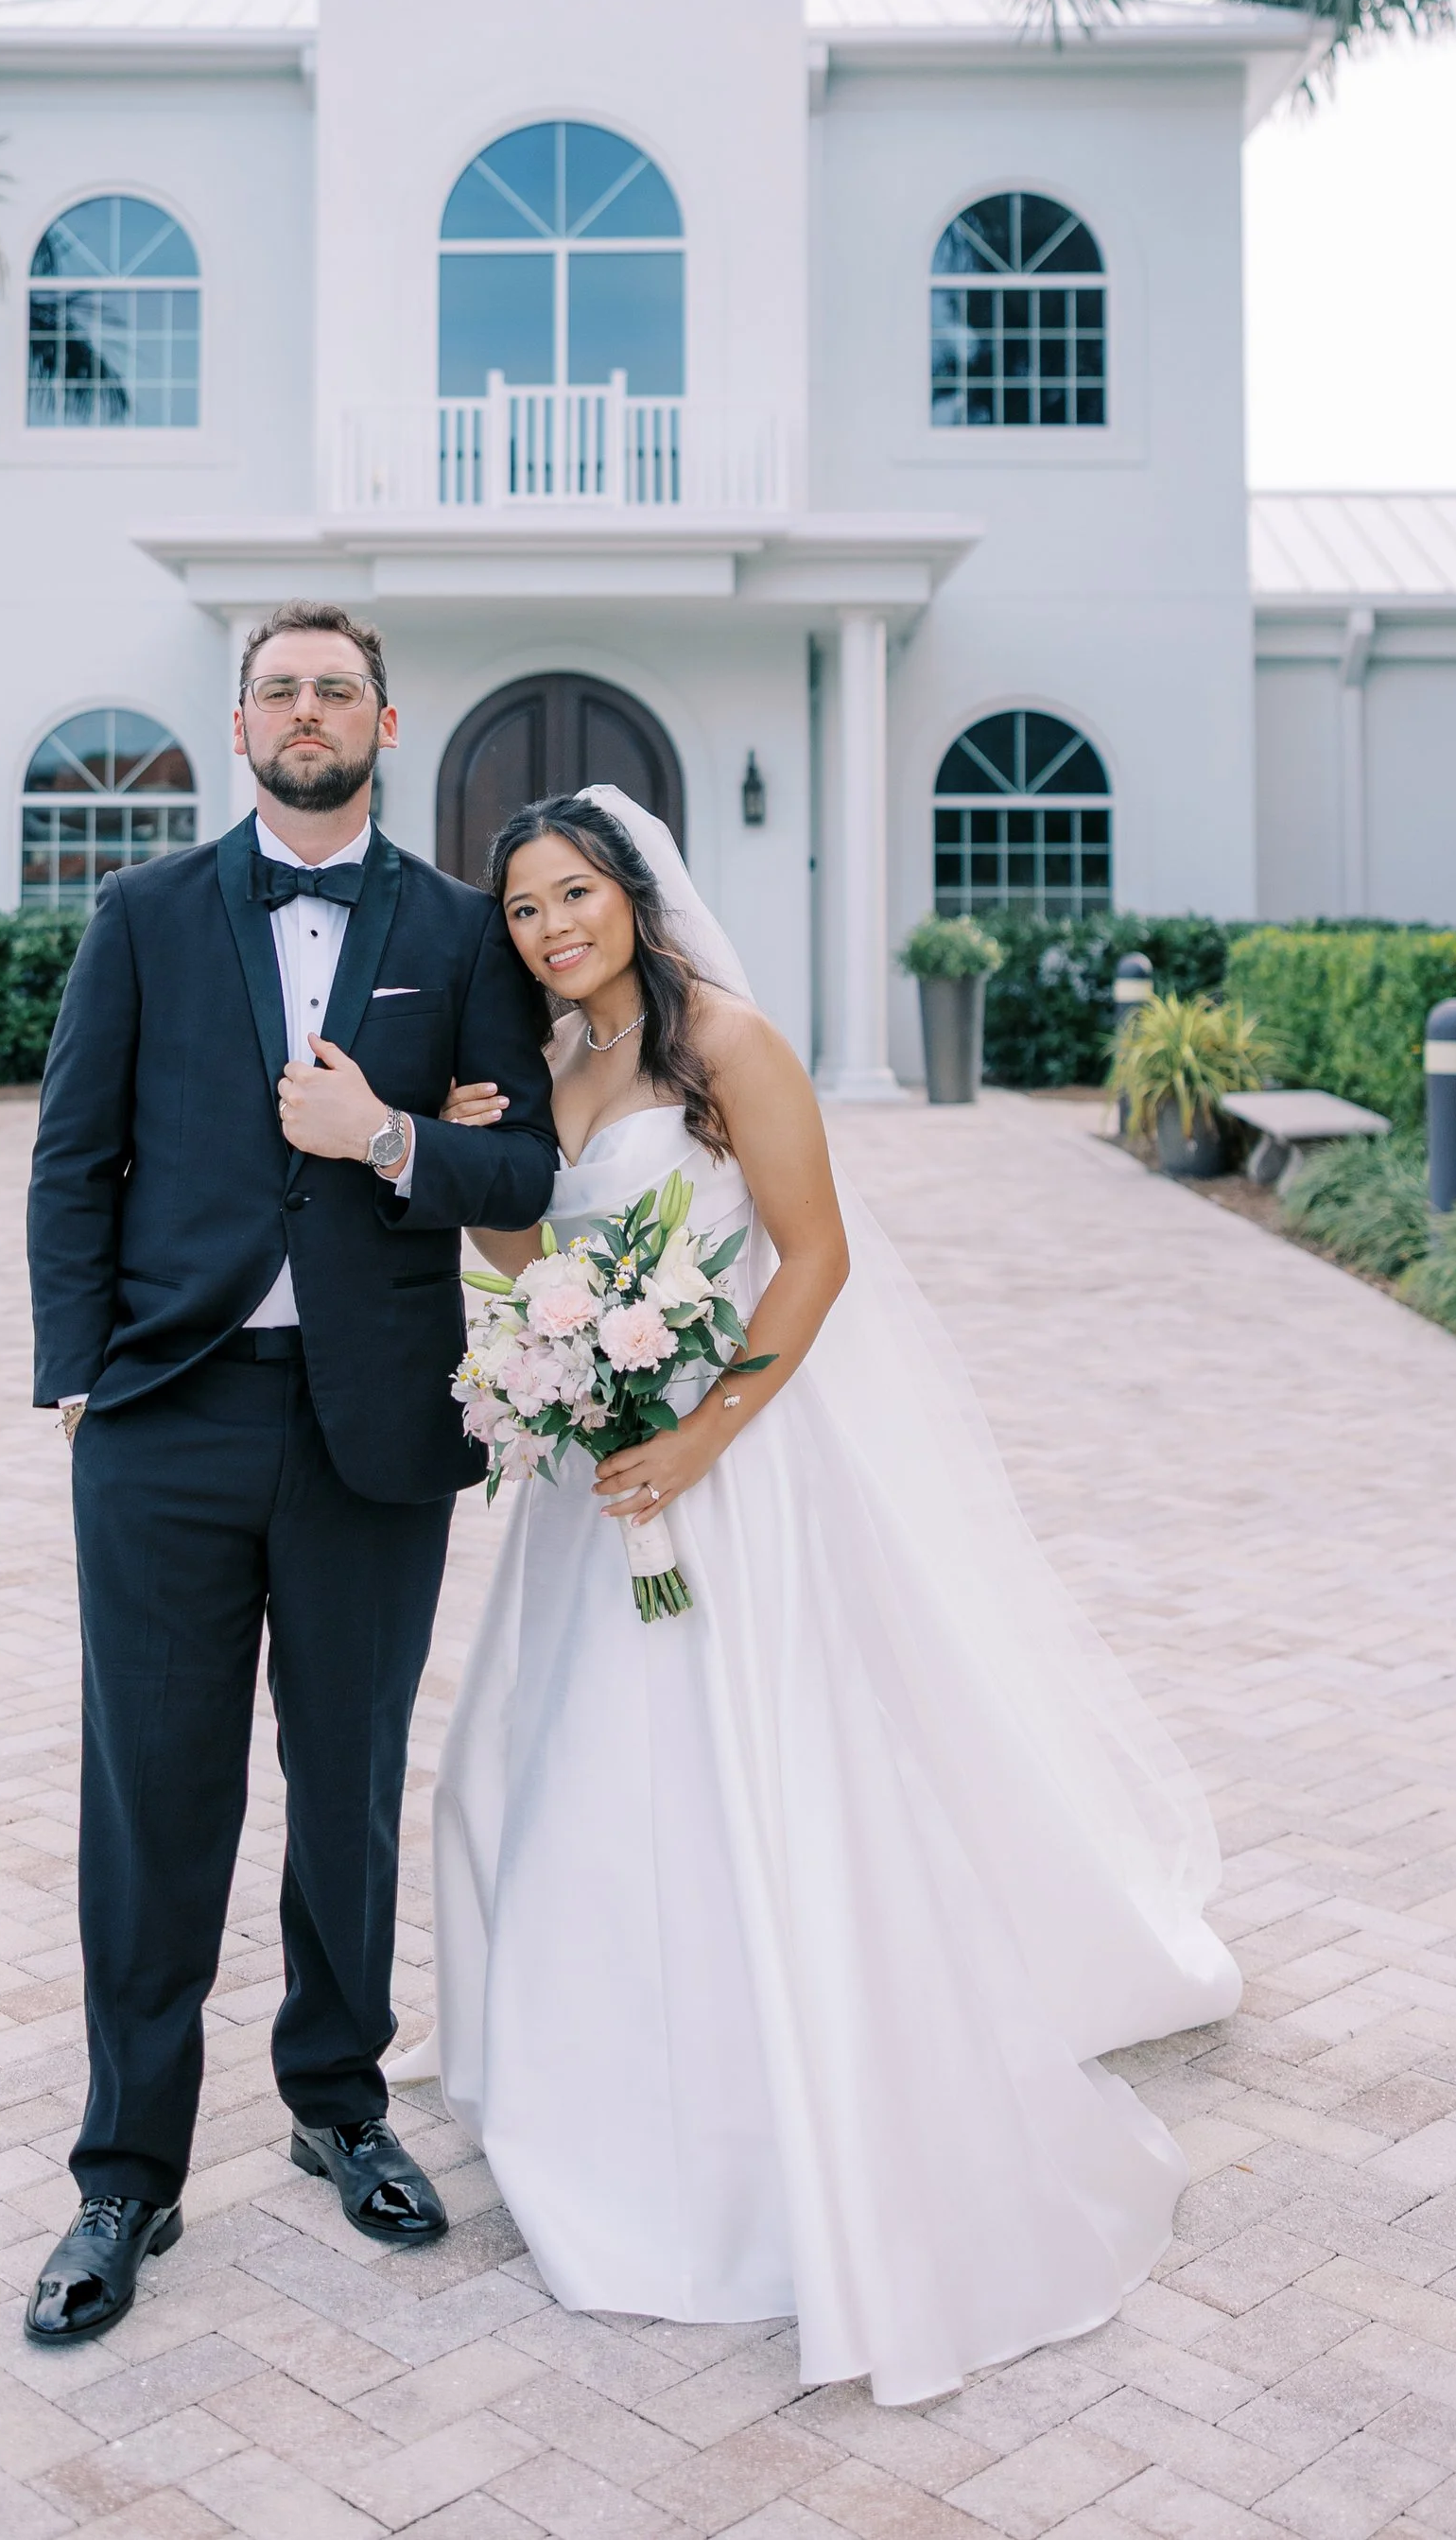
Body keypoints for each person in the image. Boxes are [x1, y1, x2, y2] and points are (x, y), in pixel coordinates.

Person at [425, 788, 1241, 2408]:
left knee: (747, 1789)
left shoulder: (727, 1039)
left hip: (731, 1483)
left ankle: (772, 2140)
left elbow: (813, 1254)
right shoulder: (543, 1059)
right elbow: (527, 1258)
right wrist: (480, 1179)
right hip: (602, 1490)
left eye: (572, 894)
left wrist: (705, 1430)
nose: (549, 929)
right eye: (521, 909)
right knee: (564, 1785)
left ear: (635, 893)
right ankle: (597, 2124)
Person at [20, 604, 559, 2344]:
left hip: (376, 1430)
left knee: (345, 1787)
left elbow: (524, 1160)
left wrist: (399, 1139)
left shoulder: (464, 930)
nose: (307, 709)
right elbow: (71, 1156)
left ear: (386, 721)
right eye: (280, 688)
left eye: (337, 687)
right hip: (169, 1418)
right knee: (154, 1799)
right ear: (238, 722)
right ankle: (126, 2170)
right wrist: (86, 1382)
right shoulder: (147, 914)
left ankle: (341, 2099)